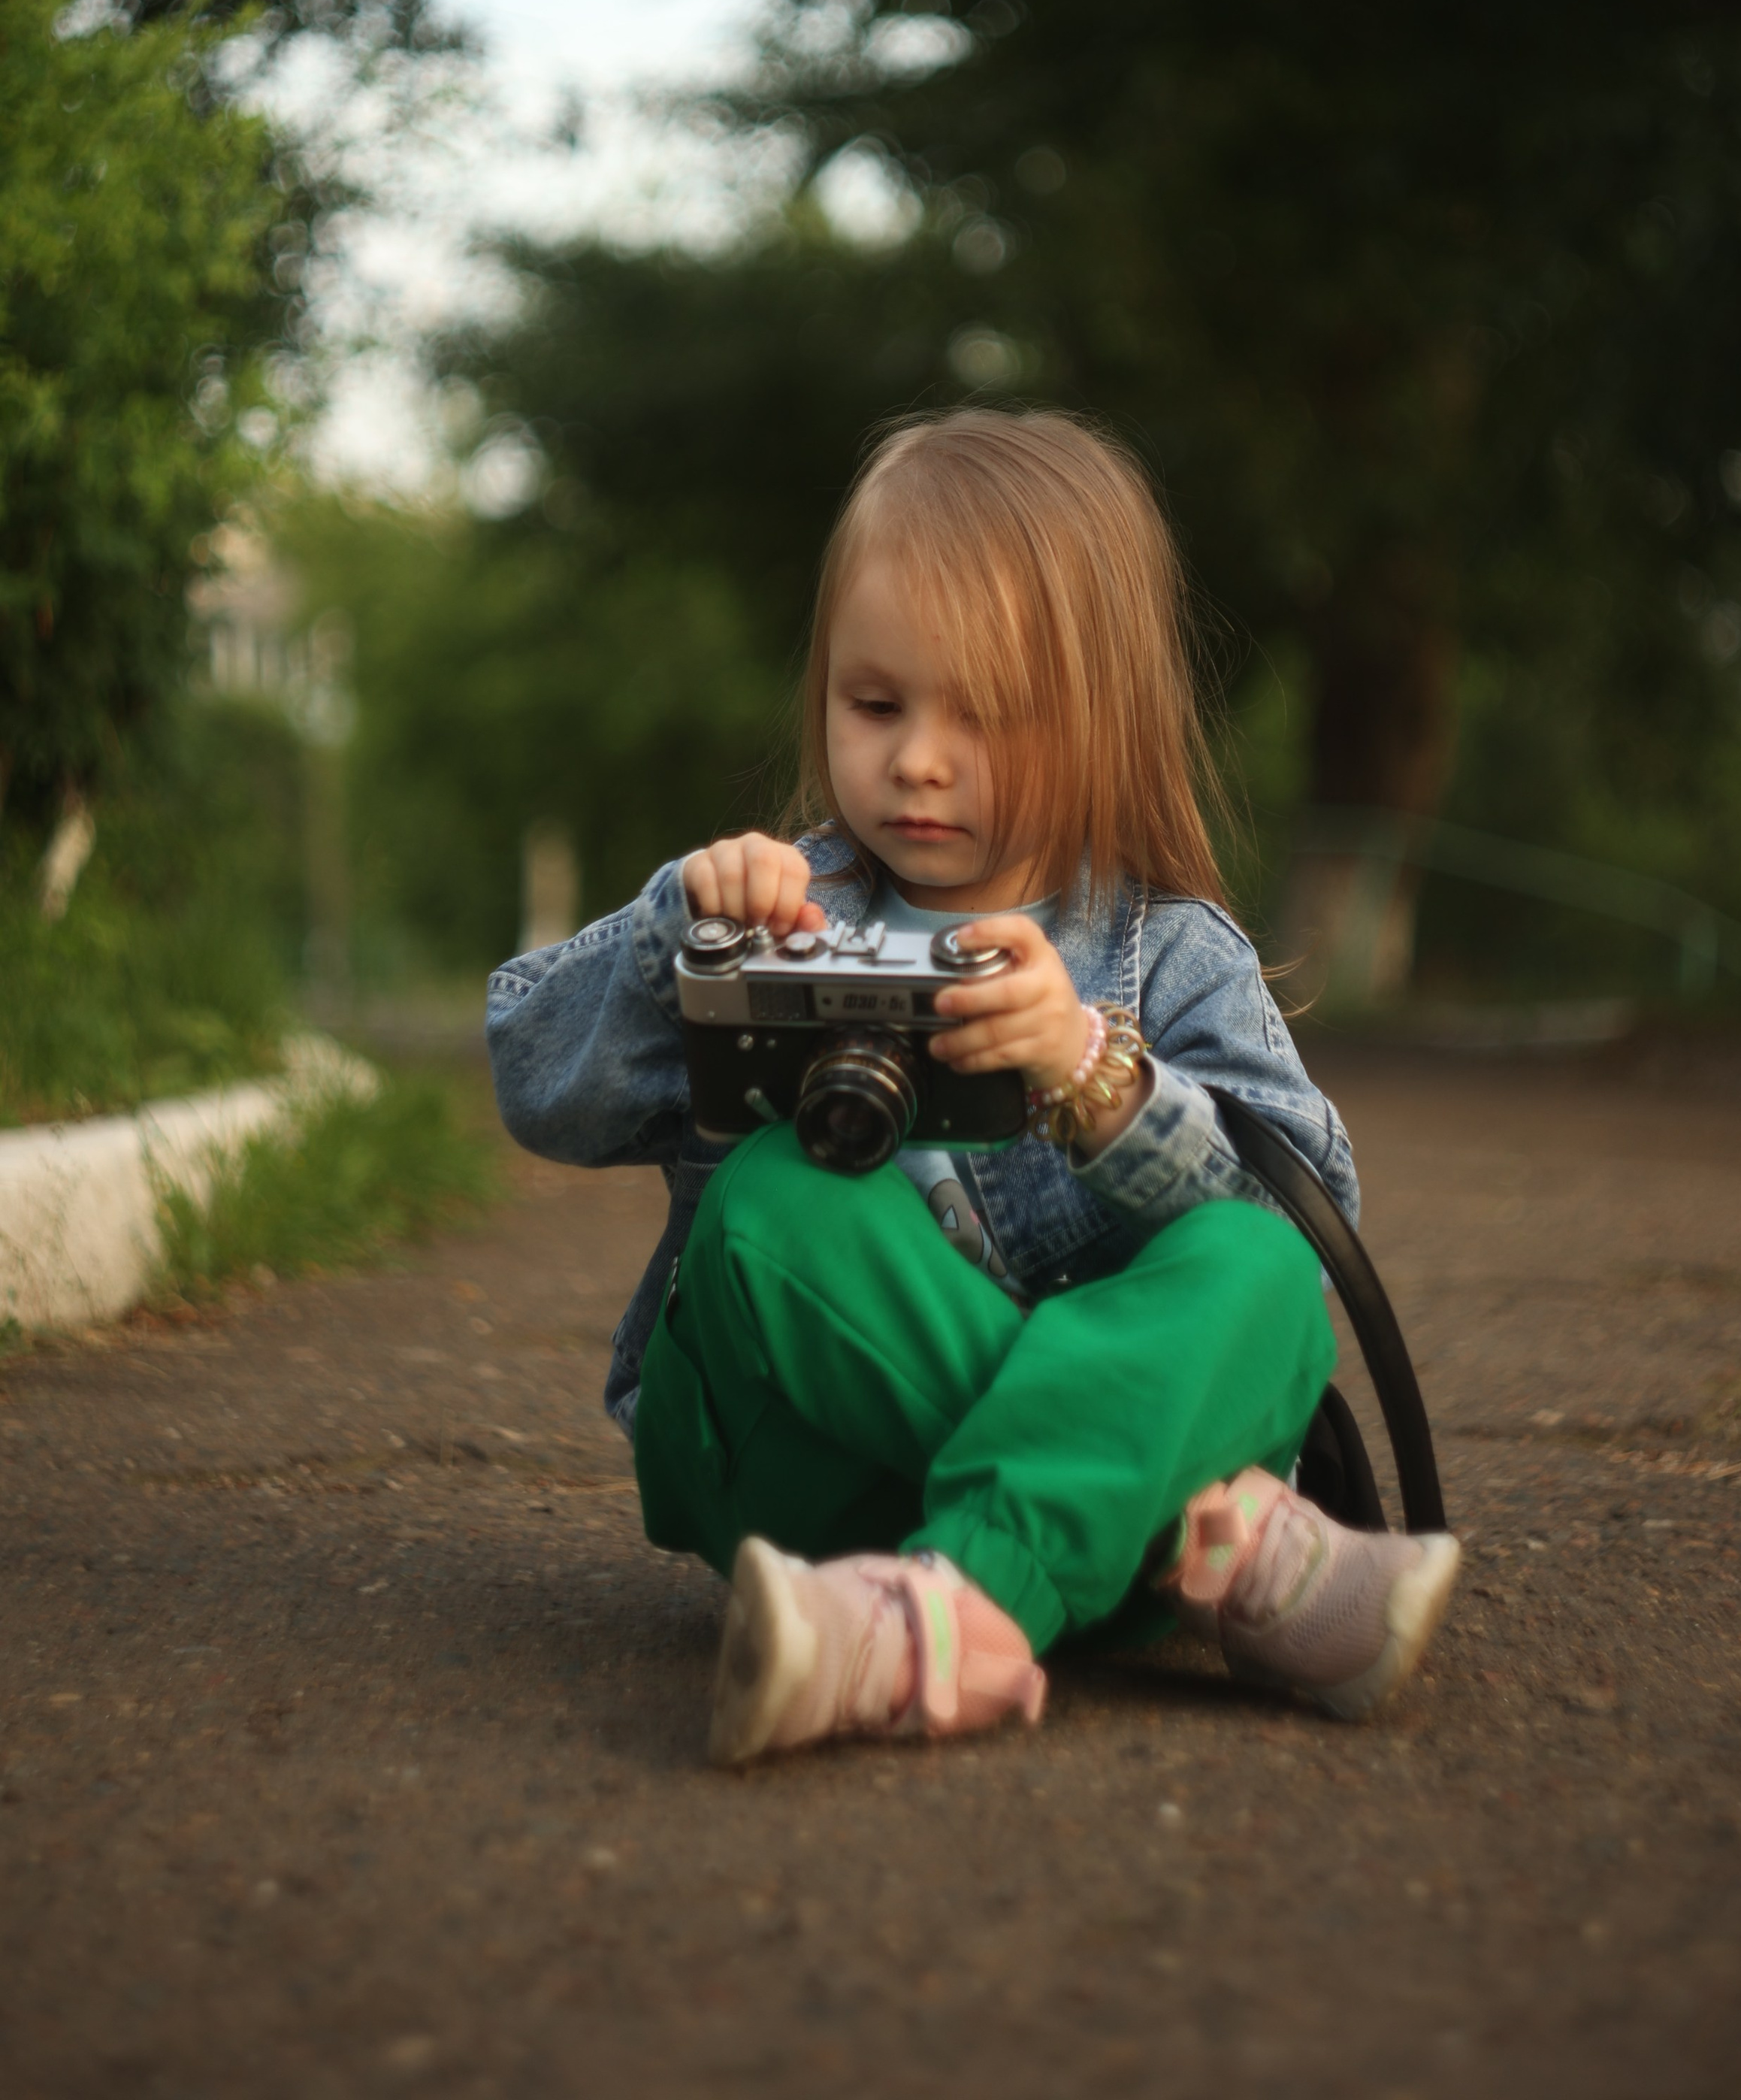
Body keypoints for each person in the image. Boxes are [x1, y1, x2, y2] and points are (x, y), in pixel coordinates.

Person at [487, 409, 1459, 1765]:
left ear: (1102, 719)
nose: (918, 759)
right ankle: (1199, 1543)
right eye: (875, 704)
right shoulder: (776, 913)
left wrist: (1091, 1073)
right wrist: (674, 945)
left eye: (983, 716)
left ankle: (939, 1614)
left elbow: (1310, 1231)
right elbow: (534, 1083)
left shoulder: (1169, 953)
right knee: (775, 1200)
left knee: (1256, 1261)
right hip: (798, 1476)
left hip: (873, 1561)